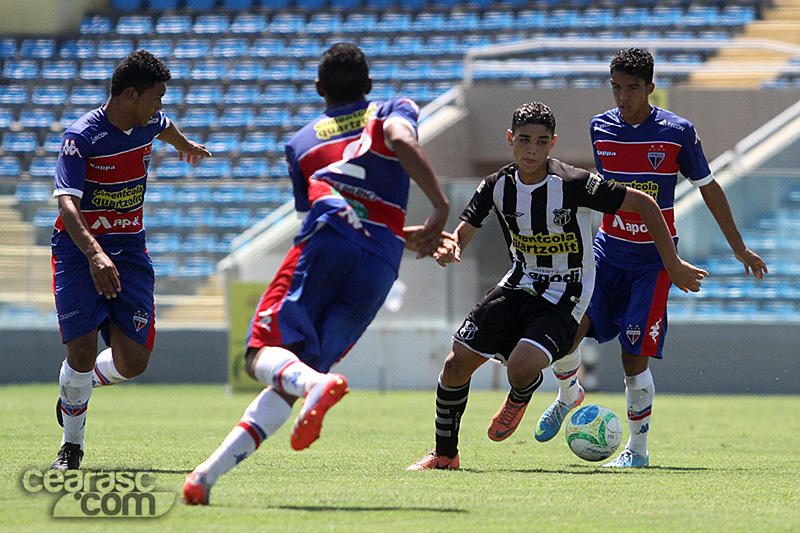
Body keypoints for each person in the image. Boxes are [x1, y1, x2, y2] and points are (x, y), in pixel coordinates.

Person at [183, 42, 449, 504]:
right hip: (381, 262)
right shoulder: (393, 106)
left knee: (261, 356)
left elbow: (327, 213)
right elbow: (398, 149)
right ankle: (205, 477)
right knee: (294, 372)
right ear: (368, 85)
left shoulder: (301, 143)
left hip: (328, 239)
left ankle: (317, 387)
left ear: (319, 88)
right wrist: (431, 217)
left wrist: (440, 211)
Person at [406, 102, 706, 470]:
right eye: (524, 140)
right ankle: (445, 455)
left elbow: (644, 203)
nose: (532, 150)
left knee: (521, 367)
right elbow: (463, 232)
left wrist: (672, 263)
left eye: (541, 142)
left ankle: (521, 393)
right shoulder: (496, 186)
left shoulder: (574, 184)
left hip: (567, 294)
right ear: (510, 139)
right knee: (455, 365)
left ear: (553, 144)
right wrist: (450, 246)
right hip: (518, 283)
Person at [509, 48, 768, 468]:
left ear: (650, 87)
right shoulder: (600, 127)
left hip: (653, 263)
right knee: (562, 336)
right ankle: (569, 394)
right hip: (605, 254)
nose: (623, 96)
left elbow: (708, 185)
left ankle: (638, 451)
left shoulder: (677, 131)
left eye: (632, 88)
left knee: (633, 358)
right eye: (616, 87)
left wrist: (737, 247)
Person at [49, 50, 211, 470]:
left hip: (130, 251)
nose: (160, 108)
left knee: (133, 363)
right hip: (79, 251)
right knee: (81, 350)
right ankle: (72, 446)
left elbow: (165, 127)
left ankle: (74, 389)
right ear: (131, 94)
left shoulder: (148, 121)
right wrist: (94, 253)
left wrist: (185, 144)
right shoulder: (82, 137)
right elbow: (67, 202)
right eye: (155, 98)